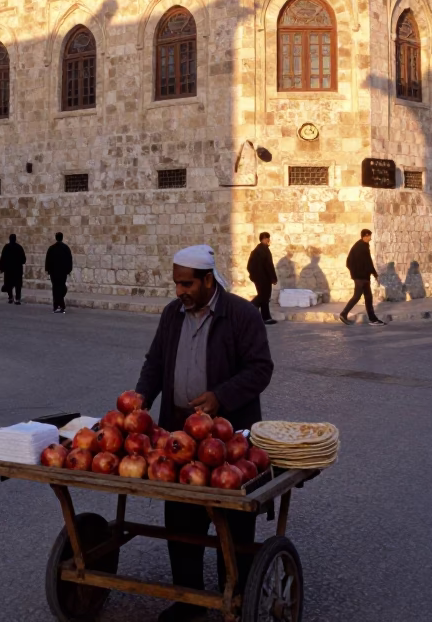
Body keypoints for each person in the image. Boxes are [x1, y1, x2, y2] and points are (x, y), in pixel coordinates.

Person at [134, 245, 273, 622]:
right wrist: (140, 400)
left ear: (208, 280)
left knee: (233, 519)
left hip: (229, 438)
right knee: (180, 518)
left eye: (187, 283)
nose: (180, 291)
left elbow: (261, 369)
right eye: (177, 283)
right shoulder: (172, 315)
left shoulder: (241, 315)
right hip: (179, 435)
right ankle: (189, 599)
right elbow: (155, 362)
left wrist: (220, 397)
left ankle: (239, 592)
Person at [340, 229, 385, 326]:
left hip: (363, 277)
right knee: (357, 296)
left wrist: (371, 273)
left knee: (368, 298)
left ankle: (373, 319)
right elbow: (354, 262)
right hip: (361, 278)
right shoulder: (360, 247)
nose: (370, 238)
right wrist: (358, 273)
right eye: (369, 236)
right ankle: (343, 314)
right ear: (365, 236)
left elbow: (365, 262)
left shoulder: (362, 246)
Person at [246, 232, 279, 325]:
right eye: (265, 238)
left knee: (265, 298)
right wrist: (273, 278)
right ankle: (250, 307)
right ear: (261, 239)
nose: (267, 239)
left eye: (268, 237)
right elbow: (268, 266)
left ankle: (266, 318)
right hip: (262, 278)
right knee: (263, 296)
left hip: (262, 278)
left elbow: (250, 266)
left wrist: (253, 276)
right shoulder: (261, 251)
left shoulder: (261, 250)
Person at [44, 232, 73, 313]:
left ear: (56, 238)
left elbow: (48, 260)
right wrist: (68, 270)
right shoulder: (66, 248)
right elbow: (69, 260)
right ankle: (61, 305)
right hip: (62, 272)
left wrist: (48, 270)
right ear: (62, 238)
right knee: (61, 287)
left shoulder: (51, 248)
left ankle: (56, 305)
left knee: (55, 288)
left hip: (54, 272)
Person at [0, 234, 26, 305]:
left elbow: (3, 258)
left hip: (8, 270)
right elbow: (23, 259)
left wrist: (1, 268)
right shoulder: (19, 247)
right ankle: (17, 299)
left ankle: (10, 297)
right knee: (18, 285)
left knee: (8, 284)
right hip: (17, 269)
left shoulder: (6, 247)